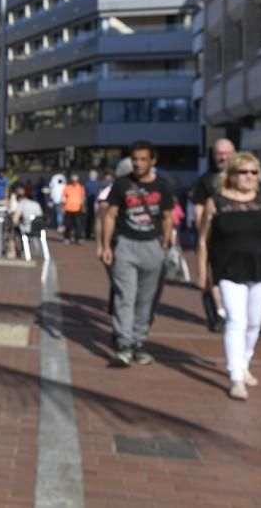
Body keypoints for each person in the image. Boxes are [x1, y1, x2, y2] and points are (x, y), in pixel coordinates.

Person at [197, 152, 261, 400]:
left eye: (254, 172)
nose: (249, 177)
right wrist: (202, 272)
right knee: (236, 321)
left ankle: (243, 362)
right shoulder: (216, 202)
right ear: (230, 175)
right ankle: (236, 377)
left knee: (254, 323)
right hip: (228, 270)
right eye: (243, 172)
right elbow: (203, 241)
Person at [100, 143, 173, 366]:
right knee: (125, 296)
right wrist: (106, 246)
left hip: (152, 246)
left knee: (146, 299)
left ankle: (138, 342)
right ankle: (123, 344)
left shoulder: (162, 185)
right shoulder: (122, 184)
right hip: (126, 246)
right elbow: (110, 216)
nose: (138, 164)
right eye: (135, 159)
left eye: (143, 159)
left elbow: (168, 216)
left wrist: (165, 244)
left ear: (153, 161)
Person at [190, 138, 236, 333]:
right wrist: (202, 231)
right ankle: (219, 314)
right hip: (215, 234)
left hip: (240, 235)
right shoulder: (206, 179)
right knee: (214, 276)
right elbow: (198, 207)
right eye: (219, 153)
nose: (223, 157)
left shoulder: (245, 175)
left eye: (227, 153)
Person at [10, 184, 43, 259]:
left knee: (14, 232)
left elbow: (15, 220)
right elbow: (41, 216)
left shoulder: (22, 204)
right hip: (39, 229)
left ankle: (15, 252)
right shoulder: (37, 204)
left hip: (28, 229)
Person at [62, 174, 86, 244]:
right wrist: (63, 207)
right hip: (68, 208)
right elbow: (63, 197)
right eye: (73, 180)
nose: (74, 182)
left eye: (76, 180)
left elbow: (83, 197)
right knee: (67, 224)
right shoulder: (67, 187)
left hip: (77, 209)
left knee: (78, 224)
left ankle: (78, 238)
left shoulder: (81, 187)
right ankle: (67, 238)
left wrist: (83, 206)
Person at [83, 169, 101, 240]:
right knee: (93, 220)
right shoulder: (97, 183)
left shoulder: (87, 183)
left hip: (92, 204)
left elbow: (84, 195)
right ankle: (93, 234)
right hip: (92, 204)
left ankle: (89, 234)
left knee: (90, 220)